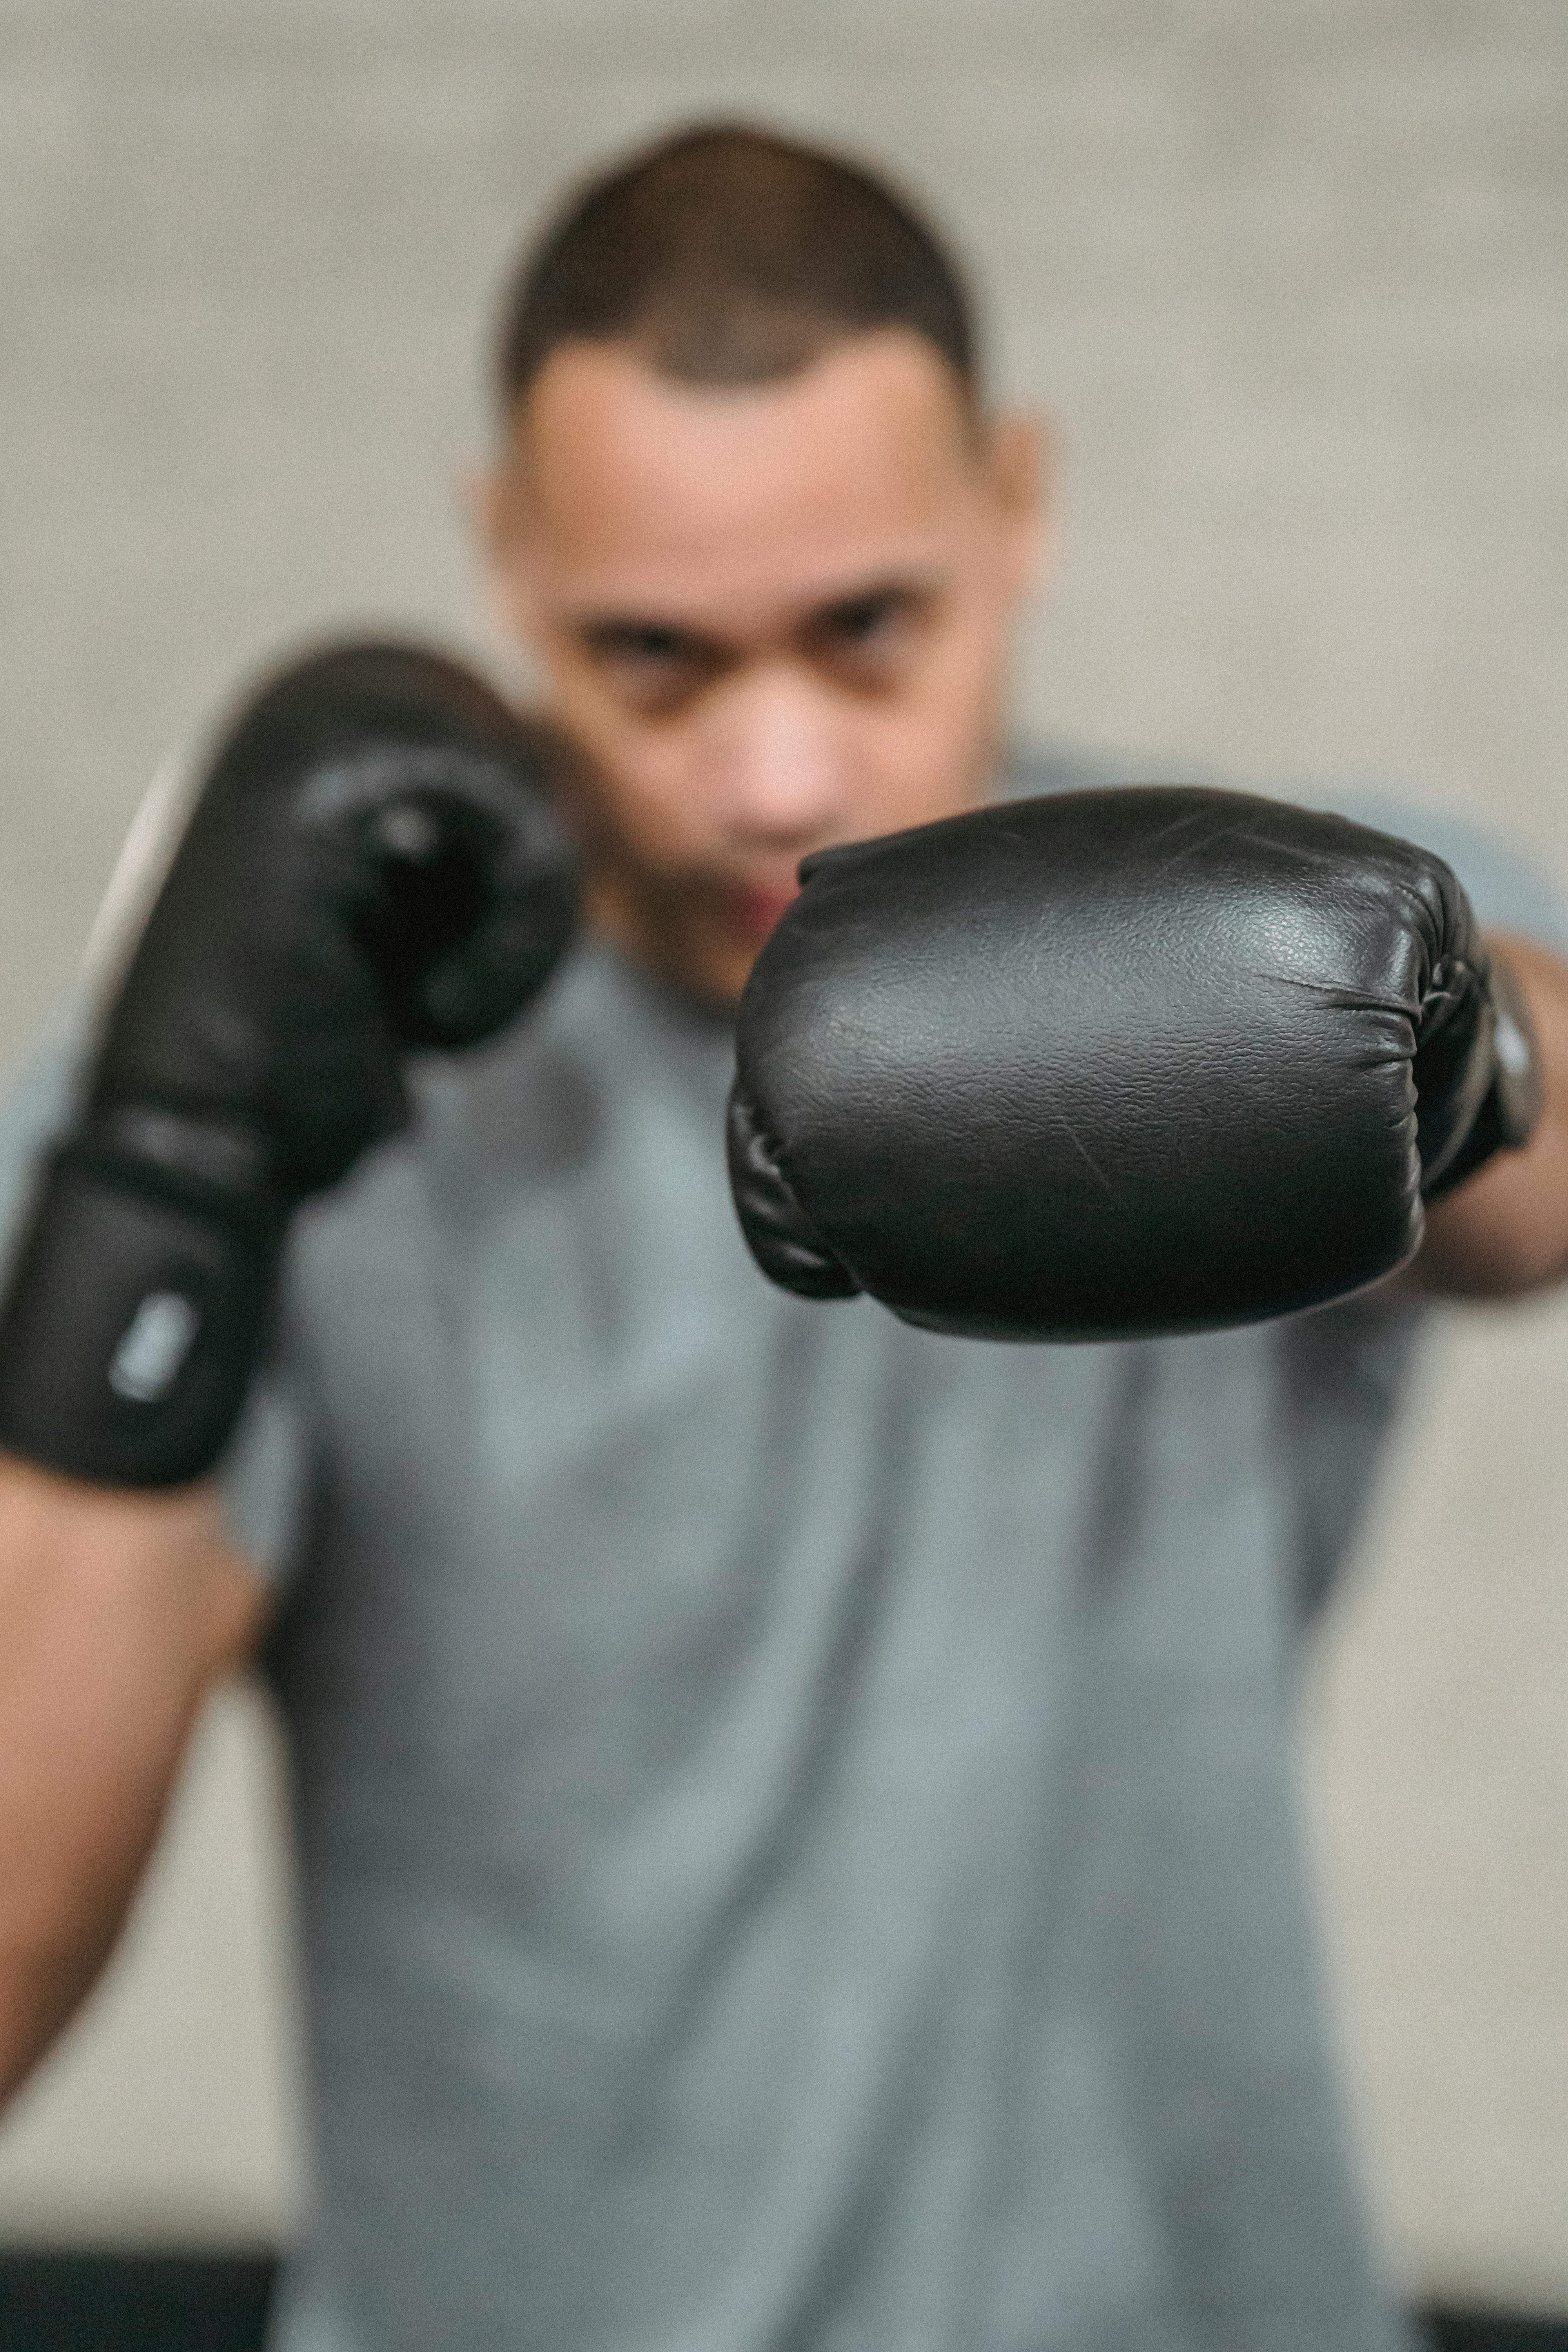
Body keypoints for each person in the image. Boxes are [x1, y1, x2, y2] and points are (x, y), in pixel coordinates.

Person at [1, 122, 1566, 2352]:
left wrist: (1453, 1053)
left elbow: (1553, 1189)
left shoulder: (1250, 927)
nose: (775, 772)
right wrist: (167, 1173)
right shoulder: (290, 1063)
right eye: (653, 656)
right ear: (504, 564)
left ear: (1016, 507)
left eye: (866, 628)